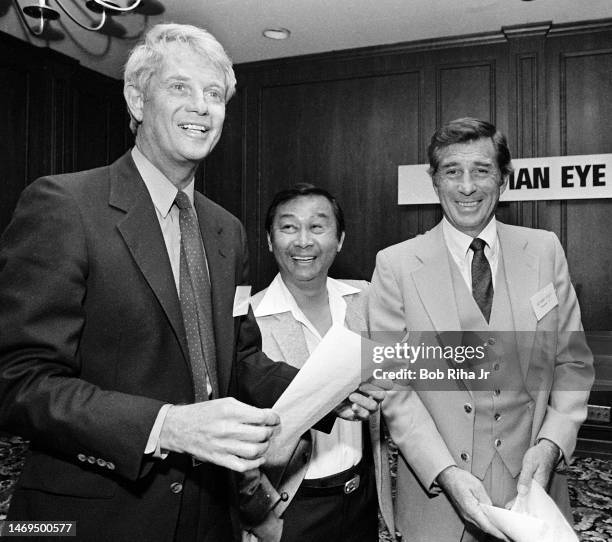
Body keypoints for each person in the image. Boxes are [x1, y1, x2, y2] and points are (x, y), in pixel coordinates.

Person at [0, 24, 381, 542]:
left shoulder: (227, 230)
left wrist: (321, 394)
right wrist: (166, 426)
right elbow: (19, 381)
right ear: (137, 99)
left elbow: (240, 360)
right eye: (180, 87)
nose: (202, 107)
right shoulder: (64, 207)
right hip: (94, 517)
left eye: (215, 94)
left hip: (210, 516)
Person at [368, 117, 594, 541]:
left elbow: (573, 362)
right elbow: (394, 385)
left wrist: (551, 445)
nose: (466, 186)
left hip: (534, 490)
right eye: (452, 171)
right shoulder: (395, 266)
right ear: (434, 181)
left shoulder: (544, 250)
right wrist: (447, 473)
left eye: (481, 170)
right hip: (437, 497)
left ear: (504, 179)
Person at [241, 184, 394, 542]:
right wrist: (264, 520)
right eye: (289, 227)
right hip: (290, 508)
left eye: (318, 227)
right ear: (269, 239)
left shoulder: (366, 299)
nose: (303, 241)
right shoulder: (250, 319)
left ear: (339, 239)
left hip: (361, 500)